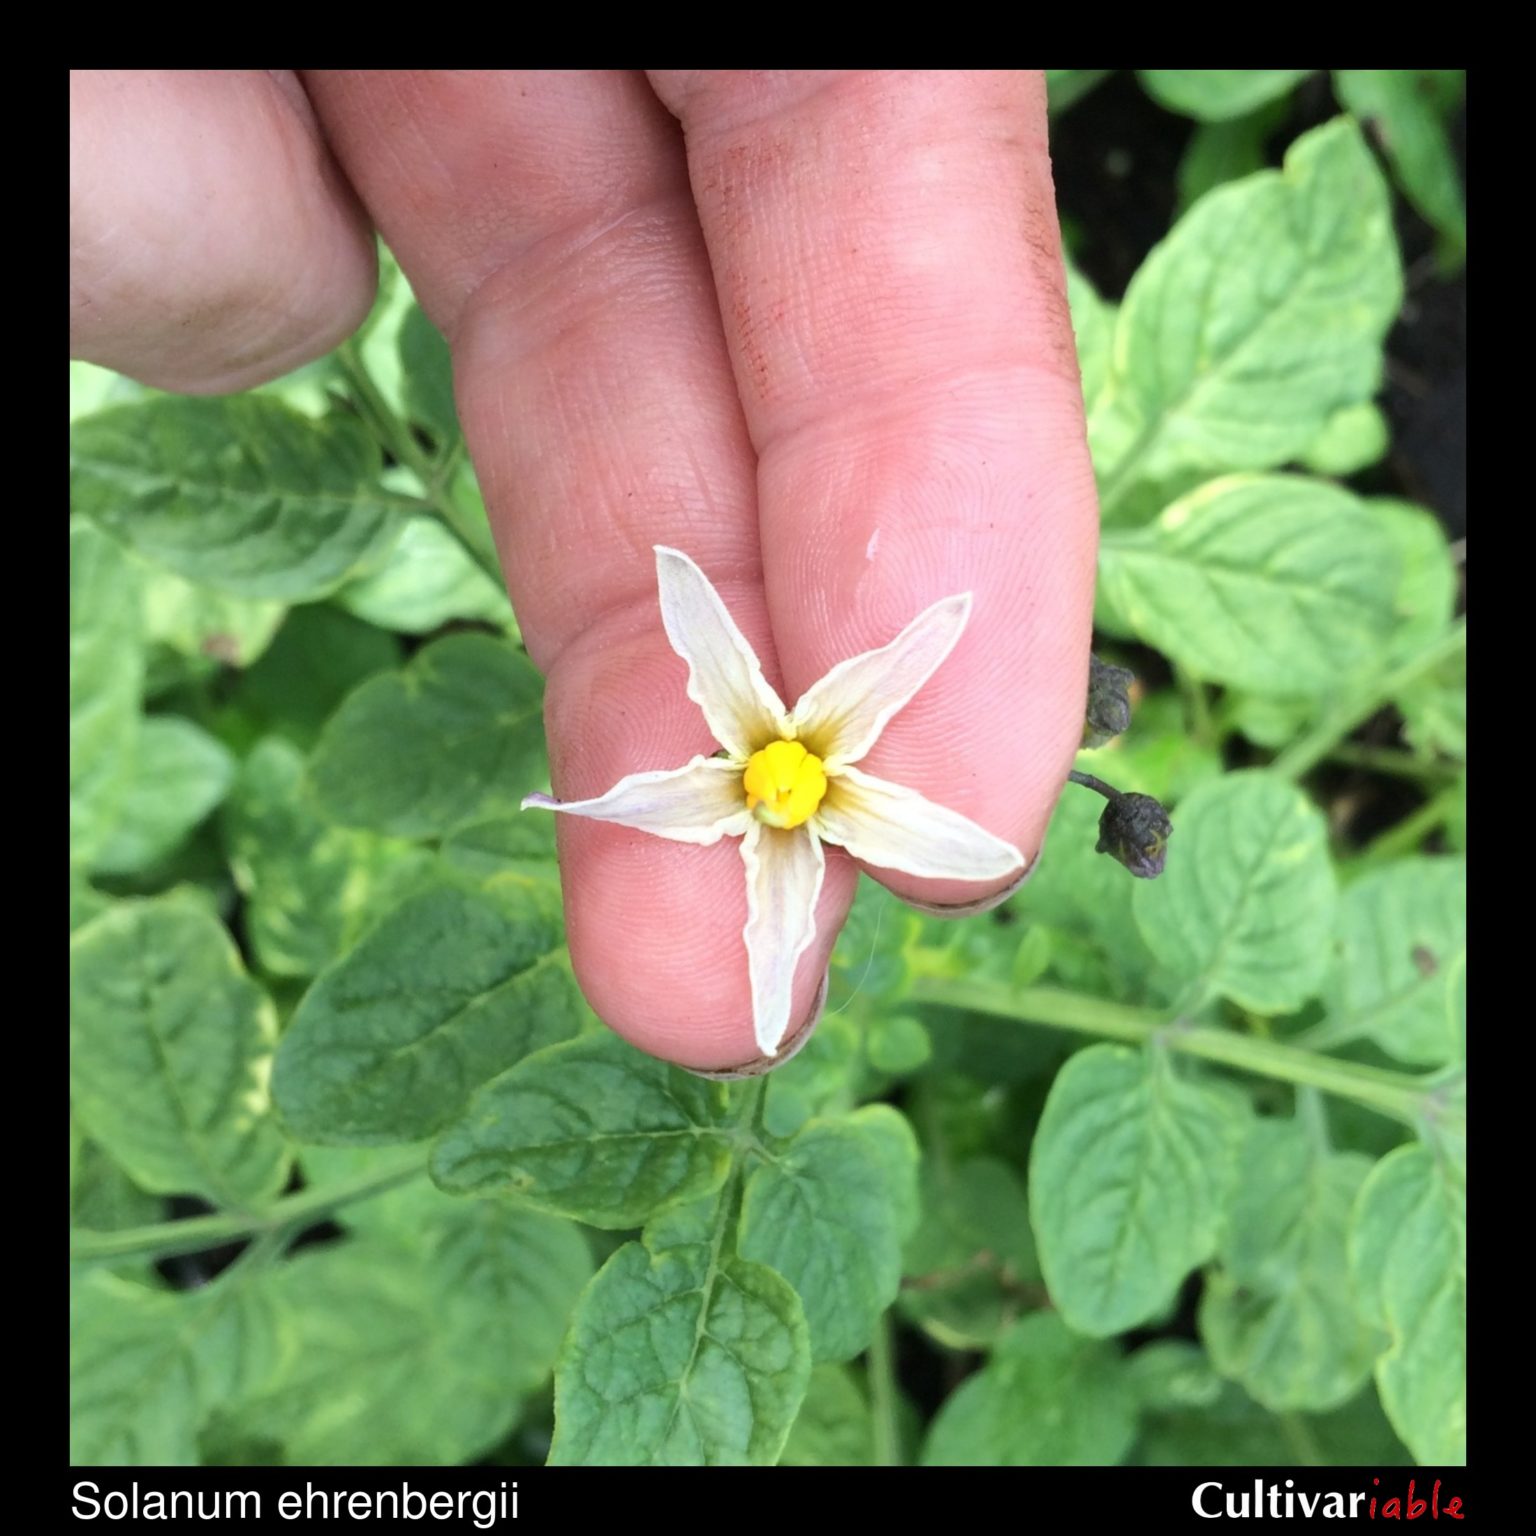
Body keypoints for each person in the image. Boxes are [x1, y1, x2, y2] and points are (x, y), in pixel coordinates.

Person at [70, 69, 1098, 1075]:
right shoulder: (779, 769)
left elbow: (845, 688)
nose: (780, 796)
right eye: (784, 790)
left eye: (778, 793)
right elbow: (735, 700)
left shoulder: (787, 771)